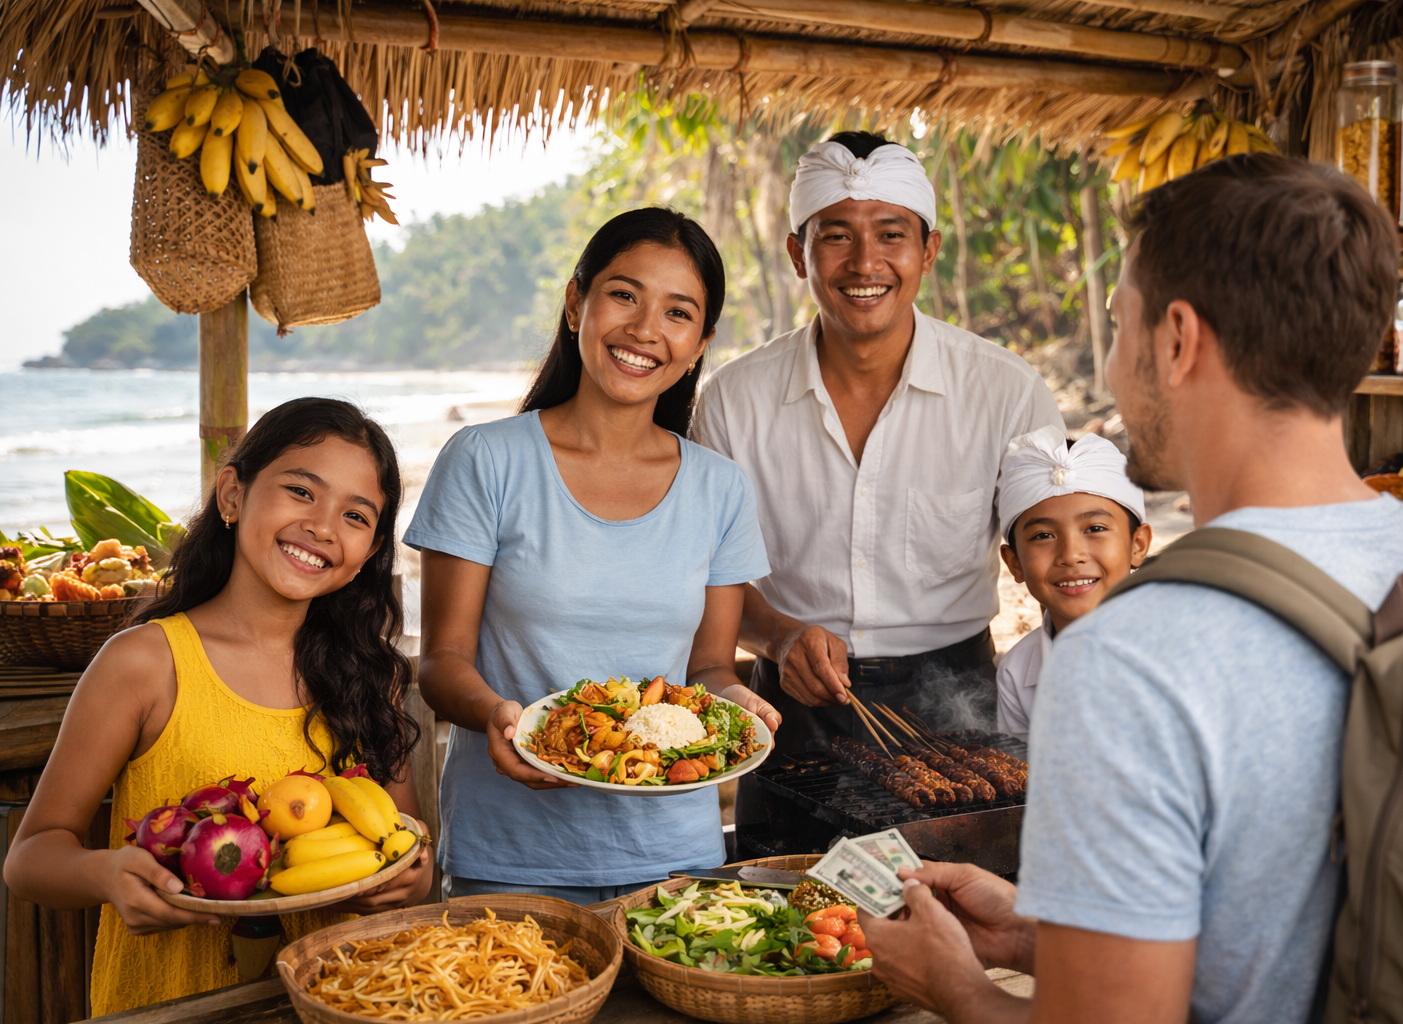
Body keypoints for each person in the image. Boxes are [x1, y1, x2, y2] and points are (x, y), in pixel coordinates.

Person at [862, 154, 1403, 1024]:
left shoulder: (1130, 658)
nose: (1116, 366)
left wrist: (954, 988)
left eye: (1118, 323)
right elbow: (1283, 912)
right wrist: (1037, 937)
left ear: (1179, 340)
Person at [2, 398, 434, 1016]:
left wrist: (412, 878)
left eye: (356, 515)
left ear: (368, 552)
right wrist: (106, 875)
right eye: (301, 491)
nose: (322, 526)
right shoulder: (144, 664)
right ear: (233, 495)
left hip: (340, 999)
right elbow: (31, 858)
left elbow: (408, 844)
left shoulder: (369, 676)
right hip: (171, 1003)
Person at [409, 207, 776, 903]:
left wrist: (738, 710)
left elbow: (708, 667)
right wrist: (498, 716)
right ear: (578, 300)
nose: (644, 330)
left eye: (677, 313)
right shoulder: (486, 459)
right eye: (623, 295)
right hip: (510, 854)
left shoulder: (720, 488)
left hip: (672, 856)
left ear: (700, 343)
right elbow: (441, 664)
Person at [692, 131, 1064, 810]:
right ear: (798, 254)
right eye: (836, 236)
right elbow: (708, 578)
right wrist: (779, 635)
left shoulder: (1006, 391)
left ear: (929, 251)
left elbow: (1063, 556)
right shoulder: (733, 401)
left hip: (961, 704)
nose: (866, 262)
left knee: (963, 907)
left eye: (891, 234)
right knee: (782, 908)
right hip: (791, 701)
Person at [992, 425, 1150, 745]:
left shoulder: (1190, 651)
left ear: (1137, 545)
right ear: (1015, 563)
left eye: (1094, 528)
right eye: (1043, 536)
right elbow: (1025, 784)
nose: (1071, 555)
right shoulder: (1017, 674)